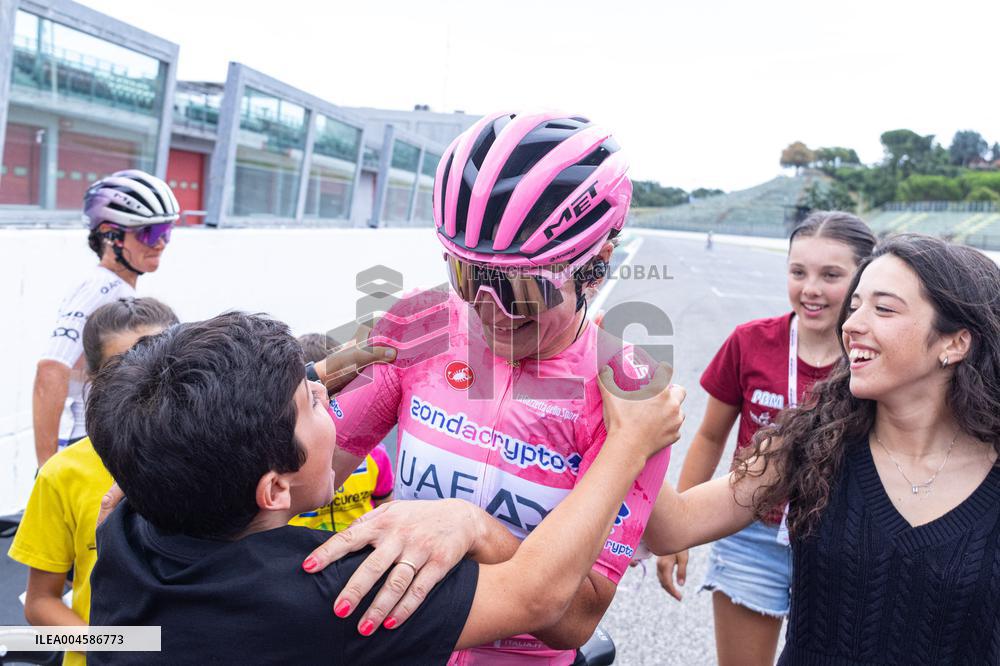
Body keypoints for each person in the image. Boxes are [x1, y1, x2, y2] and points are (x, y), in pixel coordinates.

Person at [85, 312, 686, 665]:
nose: (330, 395)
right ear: (273, 488)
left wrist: (315, 371)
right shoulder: (322, 592)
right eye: (313, 403)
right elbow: (544, 602)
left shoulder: (127, 527)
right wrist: (629, 444)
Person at [307, 111, 671, 663]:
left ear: (596, 267)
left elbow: (576, 617)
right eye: (467, 276)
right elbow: (302, 479)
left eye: (519, 289)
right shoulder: (423, 321)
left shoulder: (628, 392)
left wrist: (475, 528)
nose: (485, 310)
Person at [644, 233, 1000, 664]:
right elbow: (671, 528)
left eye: (883, 309)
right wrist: (631, 434)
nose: (850, 326)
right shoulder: (808, 442)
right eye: (854, 306)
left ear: (955, 342)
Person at [654, 212, 875, 665]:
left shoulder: (875, 356)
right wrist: (681, 529)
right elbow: (711, 436)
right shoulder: (750, 342)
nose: (810, 288)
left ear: (864, 279)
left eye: (831, 275)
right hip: (749, 534)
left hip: (842, 542)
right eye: (798, 272)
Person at [9, 297, 179, 666]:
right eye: (124, 368)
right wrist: (116, 647)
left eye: (161, 363)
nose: (146, 380)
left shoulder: (219, 456)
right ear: (95, 379)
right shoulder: (62, 474)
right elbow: (40, 602)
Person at [32, 170, 180, 467]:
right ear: (111, 237)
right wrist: (46, 468)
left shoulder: (117, 290)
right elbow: (51, 368)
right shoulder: (100, 289)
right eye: (148, 233)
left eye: (165, 230)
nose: (161, 242)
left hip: (112, 441)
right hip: (92, 445)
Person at [292, 333, 393, 532]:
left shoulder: (375, 454)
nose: (327, 405)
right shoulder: (285, 463)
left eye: (337, 394)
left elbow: (387, 507)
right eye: (313, 401)